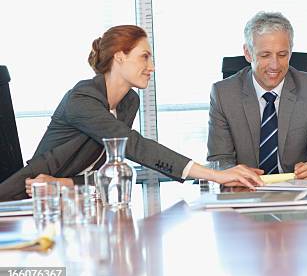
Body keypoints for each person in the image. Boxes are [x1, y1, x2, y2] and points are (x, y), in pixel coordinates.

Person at [0, 25, 263, 201]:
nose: (152, 67)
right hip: (21, 204)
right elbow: (136, 147)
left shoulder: (128, 102)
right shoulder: (82, 99)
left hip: (71, 201)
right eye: (144, 57)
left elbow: (108, 171)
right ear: (119, 57)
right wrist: (215, 174)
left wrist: (67, 185)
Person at [207, 12, 307, 179]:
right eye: (265, 55)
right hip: (247, 192)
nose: (275, 65)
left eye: (282, 54)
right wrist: (233, 174)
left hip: (299, 192)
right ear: (248, 53)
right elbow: (218, 160)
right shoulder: (223, 94)